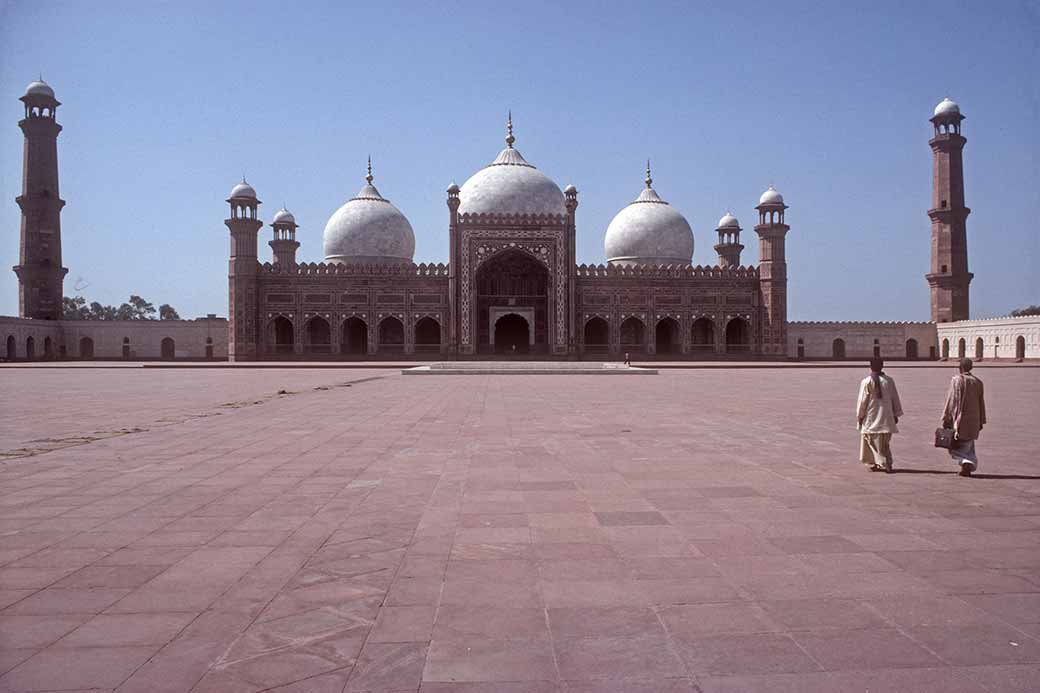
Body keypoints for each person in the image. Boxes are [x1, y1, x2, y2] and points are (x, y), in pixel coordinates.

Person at [856, 357, 903, 472]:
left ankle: (883, 462)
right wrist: (896, 414)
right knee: (884, 444)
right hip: (887, 418)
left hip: (872, 418)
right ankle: (880, 462)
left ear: (870, 367)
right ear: (882, 366)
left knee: (872, 441)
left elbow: (862, 401)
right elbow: (895, 399)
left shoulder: (867, 381)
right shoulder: (889, 380)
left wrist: (860, 416)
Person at [941, 358, 986, 477]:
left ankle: (967, 462)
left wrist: (946, 418)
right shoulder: (978, 382)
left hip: (960, 419)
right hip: (974, 419)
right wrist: (981, 420)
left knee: (955, 446)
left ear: (960, 368)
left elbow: (951, 400)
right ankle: (965, 469)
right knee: (968, 445)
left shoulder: (957, 380)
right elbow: (981, 402)